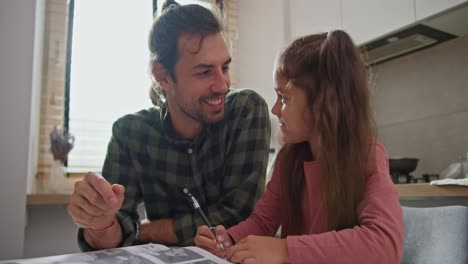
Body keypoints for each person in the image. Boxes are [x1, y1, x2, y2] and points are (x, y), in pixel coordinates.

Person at [67, 0, 271, 251]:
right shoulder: (130, 133)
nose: (223, 85)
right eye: (205, 72)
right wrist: (99, 223)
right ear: (163, 76)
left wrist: (143, 230)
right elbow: (112, 238)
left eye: (224, 67)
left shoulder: (246, 110)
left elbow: (240, 216)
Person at [195, 30, 404, 263]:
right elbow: (263, 222)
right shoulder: (289, 159)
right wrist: (229, 240)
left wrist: (285, 250)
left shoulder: (367, 154)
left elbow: (385, 244)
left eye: (283, 98)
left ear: (323, 103)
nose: (274, 110)